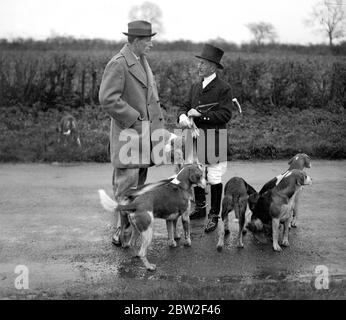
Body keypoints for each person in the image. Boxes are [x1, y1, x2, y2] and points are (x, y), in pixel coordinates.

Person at [99, 20, 165, 246]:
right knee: (125, 187)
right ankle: (120, 231)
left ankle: (130, 230)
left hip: (144, 136)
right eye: (148, 41)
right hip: (129, 136)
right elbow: (107, 99)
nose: (151, 45)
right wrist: (134, 118)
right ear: (136, 41)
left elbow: (151, 100)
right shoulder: (118, 63)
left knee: (138, 187)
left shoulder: (142, 61)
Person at [178, 44, 233, 233]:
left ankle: (214, 214)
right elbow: (183, 106)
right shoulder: (195, 86)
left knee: (214, 177)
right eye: (199, 63)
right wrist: (182, 117)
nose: (199, 66)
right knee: (197, 172)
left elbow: (225, 115)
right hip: (195, 138)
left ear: (212, 66)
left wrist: (201, 116)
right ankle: (201, 208)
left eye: (202, 63)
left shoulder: (223, 88)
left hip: (215, 138)